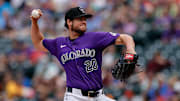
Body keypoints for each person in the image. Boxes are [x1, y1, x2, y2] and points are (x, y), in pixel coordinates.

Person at [31, 7, 136, 101]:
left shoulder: (94, 38)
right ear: (69, 22)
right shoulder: (59, 43)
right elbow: (38, 43)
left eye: (85, 19)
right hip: (75, 97)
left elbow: (126, 37)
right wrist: (34, 22)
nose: (84, 21)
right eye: (80, 19)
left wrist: (130, 51)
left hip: (98, 96)